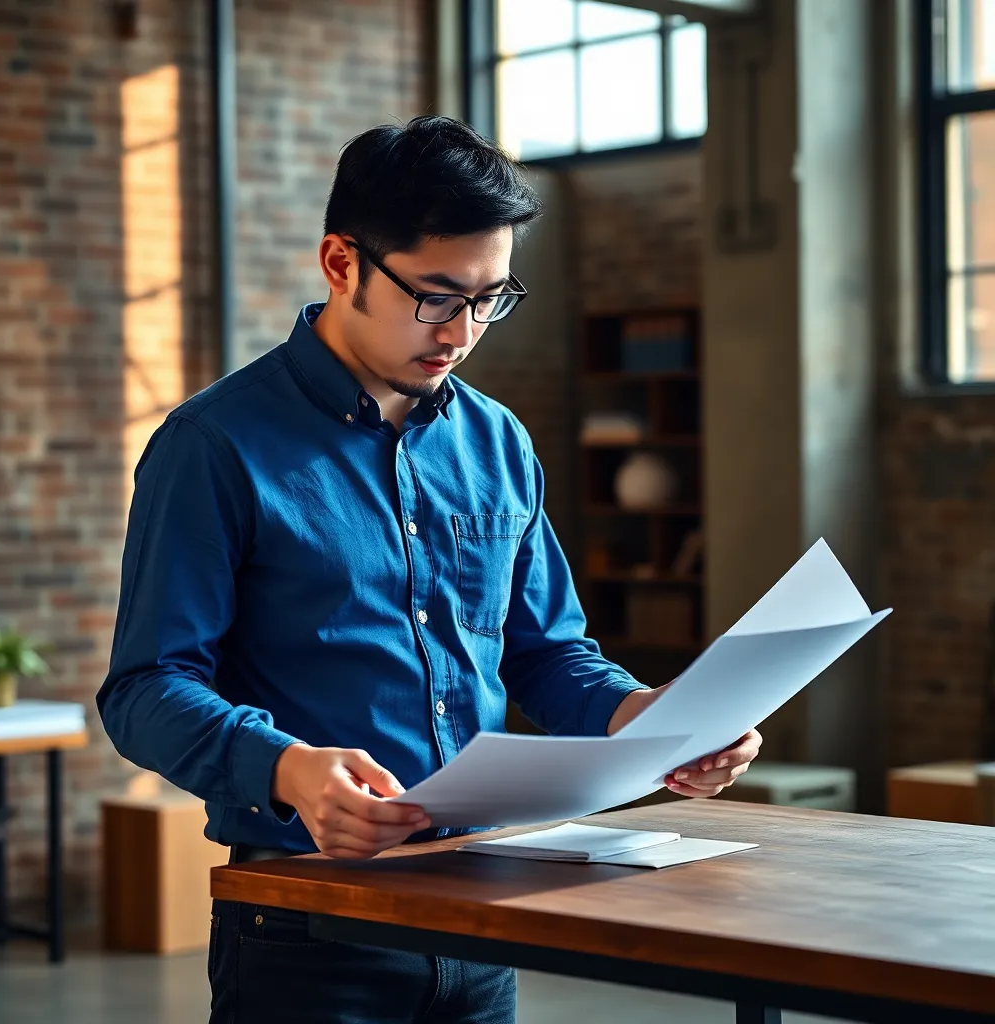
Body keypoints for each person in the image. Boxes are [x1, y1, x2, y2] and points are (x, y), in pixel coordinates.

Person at [97, 115, 761, 1024]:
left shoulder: (497, 441)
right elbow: (145, 688)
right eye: (437, 296)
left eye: (491, 298)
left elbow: (547, 653)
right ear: (341, 263)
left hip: (484, 908)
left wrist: (646, 719)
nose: (464, 330)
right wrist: (289, 770)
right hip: (307, 923)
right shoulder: (213, 446)